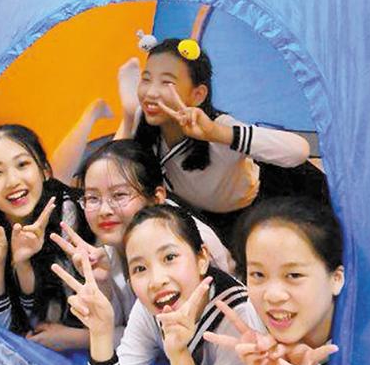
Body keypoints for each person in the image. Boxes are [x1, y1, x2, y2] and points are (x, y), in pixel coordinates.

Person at [53, 204, 264, 365]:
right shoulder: (149, 308)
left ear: (202, 259)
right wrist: (100, 335)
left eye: (169, 258)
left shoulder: (237, 316)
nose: (156, 281)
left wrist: (179, 356)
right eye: (140, 268)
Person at [116, 38, 320, 244]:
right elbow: (111, 172)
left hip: (258, 205)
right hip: (200, 217)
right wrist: (128, 116)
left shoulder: (218, 127)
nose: (151, 93)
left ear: (198, 95)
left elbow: (299, 151)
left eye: (167, 82)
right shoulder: (142, 120)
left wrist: (216, 133)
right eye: (146, 79)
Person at [51, 139, 235, 333]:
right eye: (92, 198)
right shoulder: (113, 240)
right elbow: (126, 326)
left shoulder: (194, 244)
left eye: (119, 195)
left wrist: (78, 337)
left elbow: (174, 335)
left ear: (156, 198)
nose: (104, 210)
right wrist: (103, 284)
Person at [0, 124, 92, 348]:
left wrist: (74, 338)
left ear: (45, 171)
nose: (12, 181)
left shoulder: (69, 215)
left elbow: (55, 319)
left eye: (22, 164)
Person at [205, 197, 344, 365]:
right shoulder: (254, 323)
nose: (272, 296)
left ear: (336, 279)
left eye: (294, 275)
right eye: (258, 274)